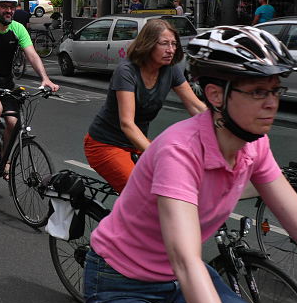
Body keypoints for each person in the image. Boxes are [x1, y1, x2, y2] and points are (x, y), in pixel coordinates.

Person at [83, 25, 297, 303]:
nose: (271, 103)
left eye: (275, 90)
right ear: (215, 94)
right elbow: (186, 260)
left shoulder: (255, 144)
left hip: (179, 279)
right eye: (257, 92)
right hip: (122, 283)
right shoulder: (178, 152)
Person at [83, 19, 206, 193]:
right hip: (106, 144)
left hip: (137, 143)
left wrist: (225, 127)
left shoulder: (169, 69)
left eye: (173, 44)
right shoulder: (127, 71)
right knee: (141, 195)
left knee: (176, 185)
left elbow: (196, 106)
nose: (171, 50)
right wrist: (154, 154)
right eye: (164, 44)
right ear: (148, 44)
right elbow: (127, 123)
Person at [0, 0, 59, 177]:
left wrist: (45, 78)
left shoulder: (18, 28)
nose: (8, 10)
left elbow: (32, 55)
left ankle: (4, 160)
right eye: (4, 7)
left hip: (5, 80)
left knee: (13, 121)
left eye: (12, 7)